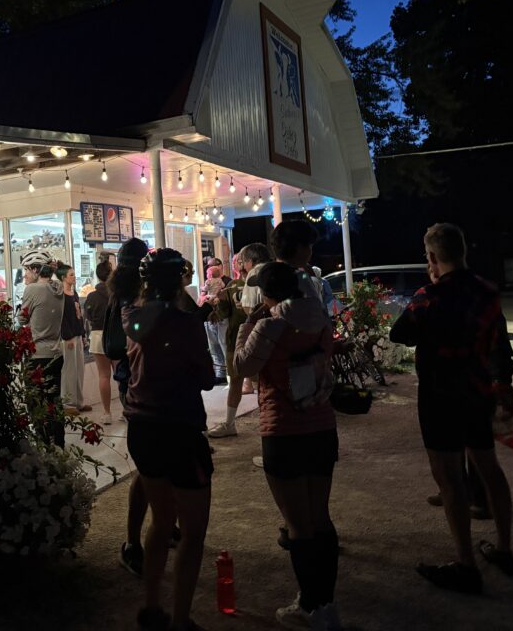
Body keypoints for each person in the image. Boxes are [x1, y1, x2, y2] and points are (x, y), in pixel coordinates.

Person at [390, 223, 513, 594]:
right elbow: (499, 343)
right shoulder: (487, 293)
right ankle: (505, 549)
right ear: (462, 252)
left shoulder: (427, 298)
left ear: (431, 257)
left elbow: (400, 333)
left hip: (440, 396)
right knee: (488, 467)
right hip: (478, 392)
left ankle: (466, 564)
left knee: (449, 479)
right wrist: (503, 382)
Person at [234, 261, 342, 630]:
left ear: (267, 293)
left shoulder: (270, 325)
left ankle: (310, 606)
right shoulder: (320, 319)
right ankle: (326, 604)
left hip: (283, 429)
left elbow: (243, 365)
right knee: (321, 517)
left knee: (298, 525)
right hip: (322, 425)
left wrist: (247, 324)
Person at [125, 248, 215, 631]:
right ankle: (179, 620)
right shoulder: (185, 322)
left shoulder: (133, 316)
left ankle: (151, 607)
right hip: (180, 427)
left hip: (142, 428)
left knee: (161, 521)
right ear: (180, 279)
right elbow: (207, 376)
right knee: (192, 533)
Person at [103, 237, 151, 577]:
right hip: (139, 384)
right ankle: (136, 541)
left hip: (130, 381)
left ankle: (141, 538)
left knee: (149, 465)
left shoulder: (118, 294)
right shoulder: (138, 298)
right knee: (152, 467)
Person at [209, 243, 272, 438]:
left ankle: (260, 427)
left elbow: (235, 313)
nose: (239, 265)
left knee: (250, 383)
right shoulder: (272, 278)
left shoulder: (243, 283)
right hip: (264, 340)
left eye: (241, 261)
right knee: (263, 383)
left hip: (244, 340)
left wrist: (216, 306)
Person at [20, 249, 66, 446]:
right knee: (54, 401)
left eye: (28, 270)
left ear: (37, 269)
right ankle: (59, 442)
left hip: (37, 354)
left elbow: (22, 318)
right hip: (56, 352)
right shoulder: (59, 288)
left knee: (36, 403)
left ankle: (43, 442)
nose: (25, 275)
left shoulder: (32, 290)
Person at [84, 259, 114, 424]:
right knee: (122, 374)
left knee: (104, 376)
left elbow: (87, 316)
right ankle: (127, 411)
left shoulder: (92, 296)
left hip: (97, 336)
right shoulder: (117, 295)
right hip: (116, 335)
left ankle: (107, 413)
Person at [56, 263, 88, 414]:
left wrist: (82, 334)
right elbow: (61, 318)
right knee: (69, 370)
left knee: (79, 369)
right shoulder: (61, 296)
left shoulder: (74, 294)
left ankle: (79, 401)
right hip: (68, 337)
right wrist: (66, 336)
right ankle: (68, 403)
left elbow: (78, 315)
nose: (74, 277)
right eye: (71, 275)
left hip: (77, 333)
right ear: (63, 277)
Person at [201, 258, 232, 388]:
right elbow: (201, 298)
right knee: (213, 346)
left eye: (211, 266)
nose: (208, 270)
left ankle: (230, 374)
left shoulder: (228, 281)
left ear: (219, 267)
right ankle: (220, 374)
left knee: (224, 344)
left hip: (222, 318)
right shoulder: (208, 282)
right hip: (209, 318)